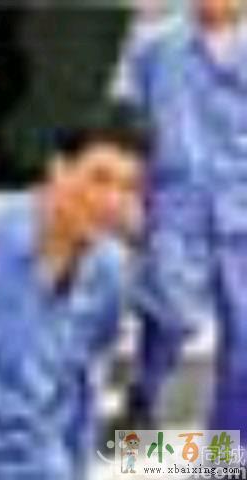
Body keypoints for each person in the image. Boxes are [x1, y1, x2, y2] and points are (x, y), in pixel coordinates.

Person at [0, 110, 146, 480]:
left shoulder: (110, 269)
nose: (111, 201)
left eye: (128, 187)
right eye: (99, 179)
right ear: (59, 169)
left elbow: (83, 380)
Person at [112, 0, 247, 440]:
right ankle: (144, 393)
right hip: (174, 209)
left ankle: (228, 450)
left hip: (241, 211)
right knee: (168, 317)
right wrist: (128, 196)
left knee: (244, 341)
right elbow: (124, 126)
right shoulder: (155, 47)